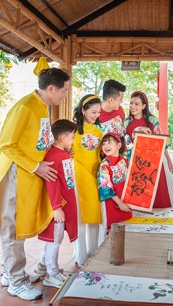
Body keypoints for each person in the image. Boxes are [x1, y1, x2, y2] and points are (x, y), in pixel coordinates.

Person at [0, 68, 70, 301]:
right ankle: (16, 281)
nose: (64, 95)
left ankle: (10, 272)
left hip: (28, 176)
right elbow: (6, 143)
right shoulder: (25, 107)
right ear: (51, 88)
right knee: (12, 227)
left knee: (19, 223)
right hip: (16, 174)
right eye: (63, 90)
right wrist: (36, 167)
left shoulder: (42, 106)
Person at [37, 119, 78, 289]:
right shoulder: (53, 156)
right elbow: (52, 183)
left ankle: (45, 265)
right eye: (72, 137)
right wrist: (56, 208)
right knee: (55, 238)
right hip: (58, 205)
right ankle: (51, 274)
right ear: (63, 138)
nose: (73, 140)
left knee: (56, 237)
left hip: (65, 202)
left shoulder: (63, 153)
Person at [125, 90, 173, 208]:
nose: (133, 106)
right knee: (140, 197)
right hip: (137, 163)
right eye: (131, 103)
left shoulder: (152, 121)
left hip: (154, 161)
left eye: (137, 104)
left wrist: (169, 161)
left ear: (144, 106)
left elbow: (162, 142)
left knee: (159, 193)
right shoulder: (126, 122)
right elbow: (125, 143)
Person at [71, 94, 104, 267]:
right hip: (77, 178)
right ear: (83, 110)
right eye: (93, 111)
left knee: (93, 217)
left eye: (98, 112)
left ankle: (94, 252)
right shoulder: (73, 130)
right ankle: (80, 254)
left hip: (94, 178)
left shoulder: (99, 131)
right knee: (79, 218)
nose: (96, 115)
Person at [97, 132, 132, 230]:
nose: (106, 146)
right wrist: (120, 203)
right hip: (112, 204)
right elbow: (106, 188)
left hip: (126, 202)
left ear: (119, 145)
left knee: (126, 230)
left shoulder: (124, 160)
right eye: (103, 143)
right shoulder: (104, 165)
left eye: (109, 142)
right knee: (113, 232)